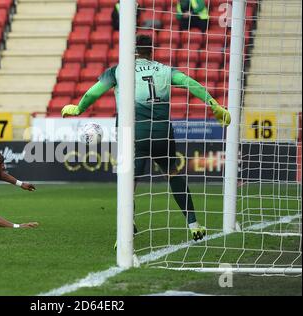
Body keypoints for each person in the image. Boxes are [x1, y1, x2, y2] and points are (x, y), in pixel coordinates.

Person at [61, 35, 231, 241]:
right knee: (173, 174)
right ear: (152, 52)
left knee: (129, 181)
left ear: (133, 52)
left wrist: (79, 108)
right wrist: (213, 103)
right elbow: (189, 83)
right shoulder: (164, 70)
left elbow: (93, 93)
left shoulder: (118, 70)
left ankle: (126, 228)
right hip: (162, 134)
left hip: (133, 134)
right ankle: (194, 225)